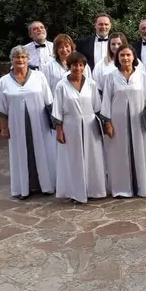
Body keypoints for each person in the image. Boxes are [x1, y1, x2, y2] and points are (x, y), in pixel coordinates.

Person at [0, 46, 57, 199]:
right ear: (12, 60)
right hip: (16, 125)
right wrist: (4, 128)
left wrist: (55, 124)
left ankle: (45, 186)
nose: (20, 60)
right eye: (17, 57)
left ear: (28, 59)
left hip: (40, 123)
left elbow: (49, 102)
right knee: (20, 154)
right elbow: (1, 107)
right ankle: (23, 188)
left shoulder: (39, 77)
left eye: (23, 57)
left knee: (42, 152)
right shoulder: (4, 81)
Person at [100, 45, 146, 198]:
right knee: (119, 153)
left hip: (138, 121)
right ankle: (121, 188)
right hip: (117, 122)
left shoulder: (142, 76)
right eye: (122, 55)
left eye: (128, 55)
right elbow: (106, 100)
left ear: (134, 57)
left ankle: (143, 186)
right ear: (117, 58)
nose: (125, 58)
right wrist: (107, 122)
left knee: (140, 151)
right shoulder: (111, 77)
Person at [52, 52, 106, 204]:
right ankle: (75, 192)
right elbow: (57, 109)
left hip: (90, 124)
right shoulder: (61, 85)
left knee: (92, 157)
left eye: (81, 65)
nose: (78, 68)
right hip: (70, 125)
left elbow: (97, 107)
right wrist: (59, 130)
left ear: (84, 67)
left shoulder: (91, 84)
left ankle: (94, 190)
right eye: (75, 65)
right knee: (73, 159)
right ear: (69, 66)